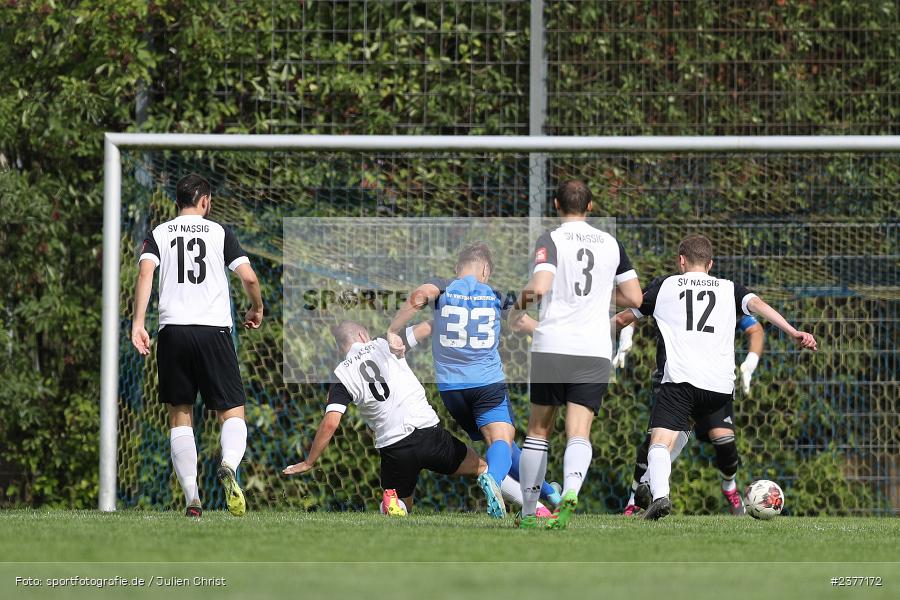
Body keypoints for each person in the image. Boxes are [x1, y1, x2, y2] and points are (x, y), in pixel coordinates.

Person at [619, 234, 816, 520]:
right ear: (710, 264)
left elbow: (626, 317)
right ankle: (649, 482)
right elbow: (759, 305)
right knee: (684, 431)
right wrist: (793, 331)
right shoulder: (729, 288)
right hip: (719, 386)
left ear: (681, 261)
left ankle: (659, 495)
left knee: (659, 441)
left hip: (681, 380)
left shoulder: (665, 285)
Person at [386, 243, 561, 519]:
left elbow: (419, 298)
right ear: (485, 270)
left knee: (505, 445)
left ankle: (550, 492)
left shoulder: (443, 289)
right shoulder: (494, 295)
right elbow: (525, 323)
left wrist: (394, 330)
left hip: (452, 392)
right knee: (501, 439)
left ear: (458, 269)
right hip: (486, 384)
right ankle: (493, 478)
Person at [509, 180, 643, 529]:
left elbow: (540, 287)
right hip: (595, 349)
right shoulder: (611, 243)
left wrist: (515, 309)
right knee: (579, 431)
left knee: (539, 430)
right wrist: (598, 298)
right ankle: (570, 491)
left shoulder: (551, 239)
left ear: (556, 204)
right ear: (591, 206)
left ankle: (527, 511)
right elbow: (635, 298)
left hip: (553, 344)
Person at [131, 173, 263, 518]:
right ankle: (230, 465)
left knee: (180, 414)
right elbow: (248, 277)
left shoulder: (158, 233)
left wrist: (137, 323)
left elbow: (146, 274)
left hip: (172, 330)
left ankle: (192, 498)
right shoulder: (220, 232)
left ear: (178, 202)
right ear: (205, 201)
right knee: (232, 410)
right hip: (213, 331)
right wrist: (257, 307)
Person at [283, 321, 488, 516]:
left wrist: (309, 462)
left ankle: (394, 504)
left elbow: (330, 423)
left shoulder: (341, 376)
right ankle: (518, 504)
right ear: (364, 335)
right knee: (483, 468)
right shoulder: (385, 342)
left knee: (402, 504)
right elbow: (428, 327)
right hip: (427, 433)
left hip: (394, 450)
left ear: (341, 350)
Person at [615, 309, 766, 516]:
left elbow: (755, 328)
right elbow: (632, 308)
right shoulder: (666, 288)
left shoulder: (723, 294)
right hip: (674, 379)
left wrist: (751, 362)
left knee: (725, 442)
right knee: (654, 442)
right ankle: (636, 499)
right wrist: (626, 336)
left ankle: (729, 486)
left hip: (713, 380)